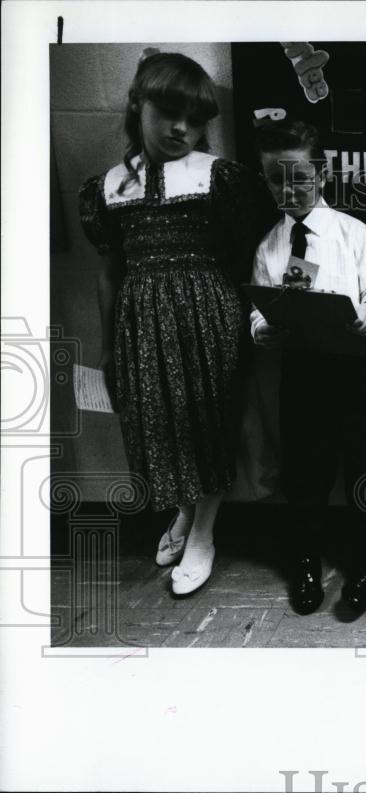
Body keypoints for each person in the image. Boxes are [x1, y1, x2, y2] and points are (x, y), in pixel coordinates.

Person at [79, 51, 277, 596]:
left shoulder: (219, 178)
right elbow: (108, 273)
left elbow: (251, 255)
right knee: (161, 424)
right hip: (140, 321)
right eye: (168, 112)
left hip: (208, 315)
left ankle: (204, 533)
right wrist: (106, 346)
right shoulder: (110, 188)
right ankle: (185, 514)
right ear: (137, 105)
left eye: (195, 118)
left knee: (207, 422)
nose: (182, 128)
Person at [250, 120, 366, 617]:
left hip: (359, 366)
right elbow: (259, 306)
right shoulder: (270, 245)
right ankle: (307, 561)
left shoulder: (353, 233)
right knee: (304, 471)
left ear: (321, 173)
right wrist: (260, 329)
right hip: (304, 370)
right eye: (275, 179)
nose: (287, 190)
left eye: (298, 177)